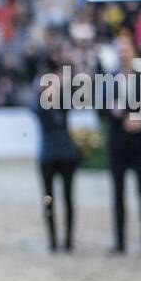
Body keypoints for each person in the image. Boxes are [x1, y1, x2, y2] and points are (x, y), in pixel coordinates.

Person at [103, 37, 141, 255]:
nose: (123, 54)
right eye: (120, 51)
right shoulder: (108, 79)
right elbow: (100, 110)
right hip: (118, 144)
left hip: (140, 144)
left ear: (134, 53)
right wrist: (111, 112)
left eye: (127, 50)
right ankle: (120, 241)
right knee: (117, 195)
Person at [31, 62, 81, 252]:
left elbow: (79, 96)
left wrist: (64, 84)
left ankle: (68, 240)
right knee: (48, 198)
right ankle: (52, 240)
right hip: (48, 155)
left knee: (68, 198)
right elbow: (34, 108)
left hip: (66, 154)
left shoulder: (64, 99)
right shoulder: (40, 101)